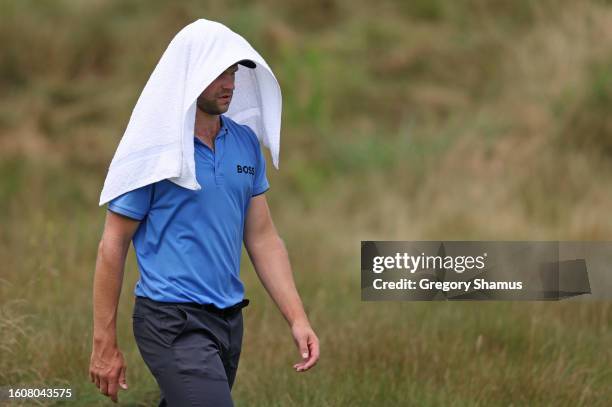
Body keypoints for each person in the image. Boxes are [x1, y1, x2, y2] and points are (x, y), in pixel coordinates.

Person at [89, 53, 319, 406]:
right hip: (171, 319)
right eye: (217, 76)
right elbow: (113, 244)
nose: (229, 85)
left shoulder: (244, 144)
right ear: (190, 78)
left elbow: (262, 238)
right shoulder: (156, 150)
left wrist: (298, 318)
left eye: (232, 74)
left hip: (228, 322)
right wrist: (104, 343)